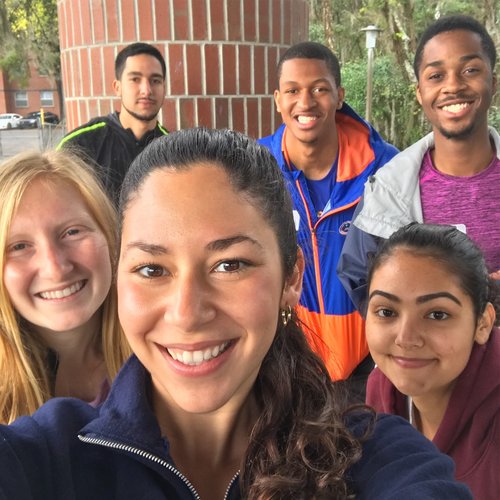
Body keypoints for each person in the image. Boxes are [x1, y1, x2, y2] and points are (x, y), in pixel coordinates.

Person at [0, 129, 472, 499]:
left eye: (230, 265)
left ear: (292, 278)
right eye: (151, 268)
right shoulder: (49, 455)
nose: (186, 313)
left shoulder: (371, 455)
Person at [258, 41, 398, 393]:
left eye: (319, 89)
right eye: (293, 90)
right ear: (278, 99)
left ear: (339, 95)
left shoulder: (385, 168)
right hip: (286, 362)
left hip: (372, 364)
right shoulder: (254, 168)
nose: (305, 103)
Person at [338, 14, 500, 313]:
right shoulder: (387, 190)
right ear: (419, 93)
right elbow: (361, 280)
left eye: (470, 69)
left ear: (493, 81)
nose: (453, 85)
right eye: (436, 75)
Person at [364, 223, 500, 499]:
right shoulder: (379, 388)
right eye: (386, 311)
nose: (406, 338)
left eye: (437, 314)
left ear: (482, 323)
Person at [0, 150, 130, 424]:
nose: (55, 268)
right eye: (19, 246)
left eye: (72, 232)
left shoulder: (163, 353)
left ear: (110, 237)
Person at [57, 42, 169, 204]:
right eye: (135, 79)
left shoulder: (173, 150)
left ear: (164, 88)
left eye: (155, 80)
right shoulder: (79, 146)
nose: (146, 90)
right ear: (117, 87)